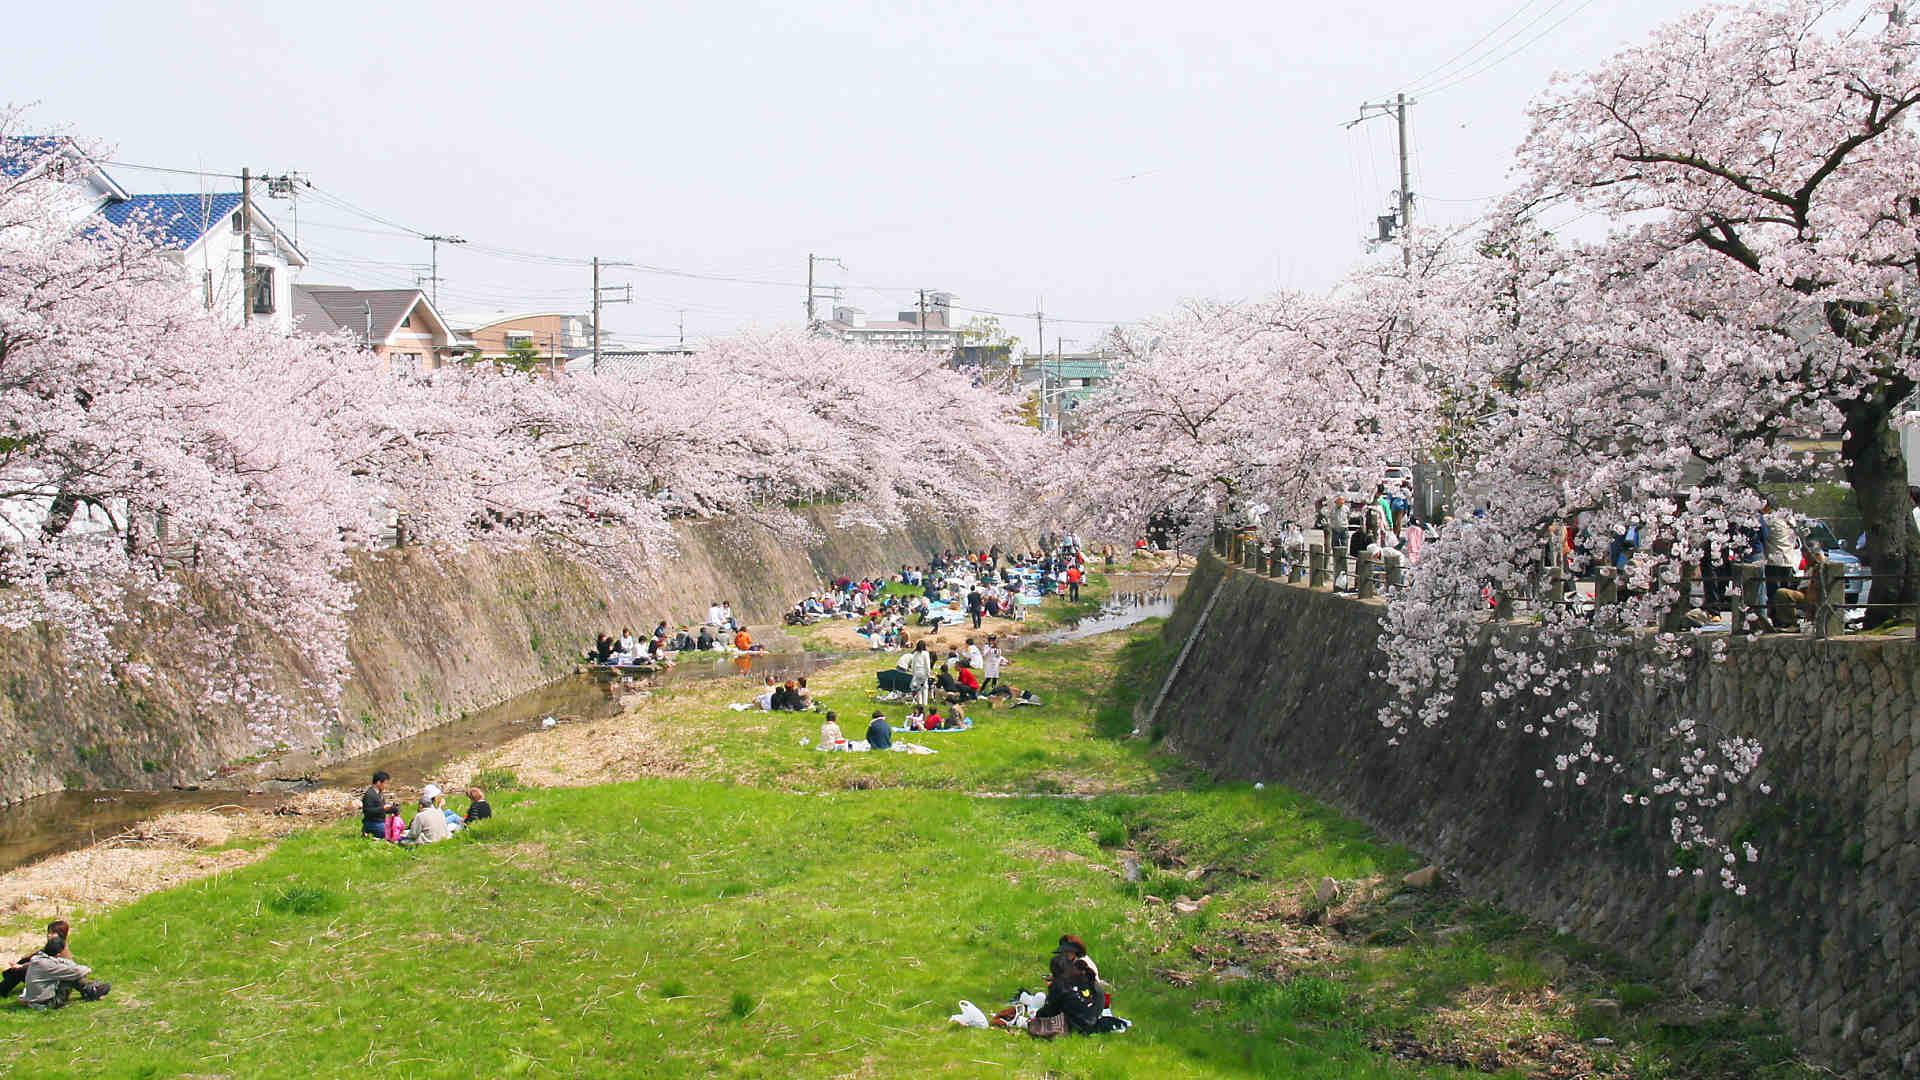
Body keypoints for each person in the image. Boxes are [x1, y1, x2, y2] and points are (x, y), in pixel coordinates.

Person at [20, 939, 108, 1009]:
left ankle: (90, 989)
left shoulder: (37, 958)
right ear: (58, 954)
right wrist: (87, 969)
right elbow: (74, 972)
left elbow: (63, 962)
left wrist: (73, 965)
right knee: (70, 977)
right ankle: (92, 991)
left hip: (34, 999)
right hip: (45, 1003)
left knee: (70, 973)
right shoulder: (48, 965)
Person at [0, 920, 69, 999]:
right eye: (48, 932)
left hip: (49, 977)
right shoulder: (56, 943)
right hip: (44, 970)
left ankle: (2, 989)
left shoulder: (60, 949)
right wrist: (26, 959)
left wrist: (22, 966)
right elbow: (42, 954)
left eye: (52, 933)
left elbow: (44, 963)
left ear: (61, 934)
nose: (49, 935)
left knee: (20, 971)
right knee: (25, 960)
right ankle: (8, 977)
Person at [361, 770, 392, 839]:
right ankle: (367, 831)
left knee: (397, 828)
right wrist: (383, 808)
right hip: (372, 823)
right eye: (385, 783)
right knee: (391, 834)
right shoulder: (369, 794)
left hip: (381, 821)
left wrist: (392, 809)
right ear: (378, 783)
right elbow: (367, 812)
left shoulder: (380, 793)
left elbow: (381, 809)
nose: (386, 786)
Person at [906, 640, 932, 706]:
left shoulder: (915, 653)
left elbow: (913, 664)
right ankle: (925, 703)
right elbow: (927, 664)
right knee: (925, 687)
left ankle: (919, 703)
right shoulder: (926, 653)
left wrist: (913, 673)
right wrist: (928, 673)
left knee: (918, 688)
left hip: (916, 672)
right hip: (923, 672)